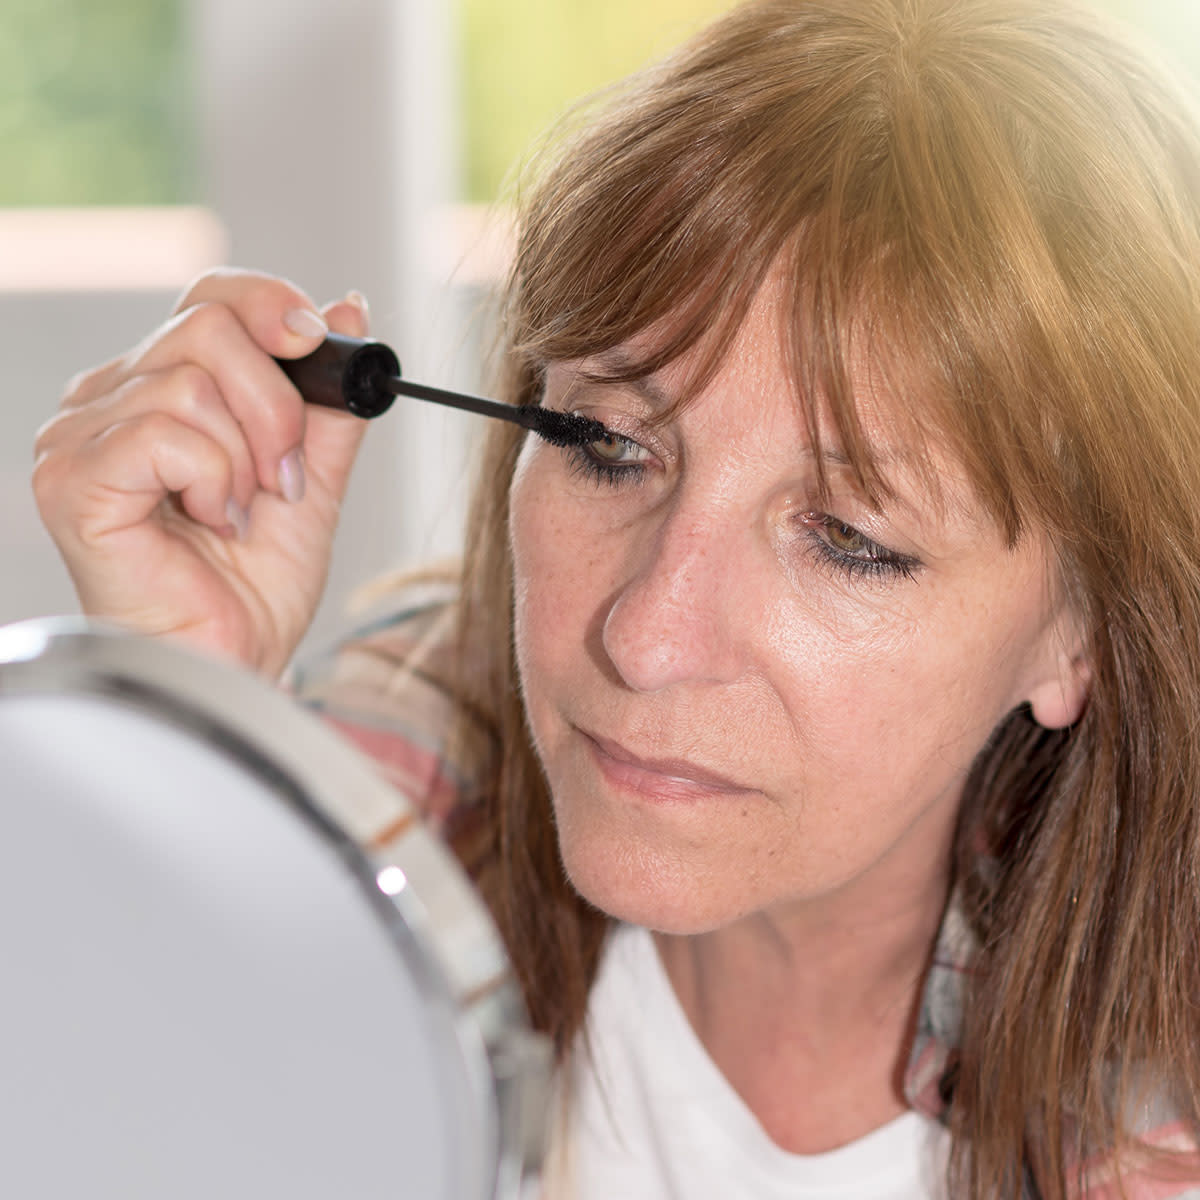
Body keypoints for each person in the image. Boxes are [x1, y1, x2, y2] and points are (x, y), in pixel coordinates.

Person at [31, 0, 1200, 1195]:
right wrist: (178, 743)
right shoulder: (400, 787)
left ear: (1087, 635)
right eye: (604, 445)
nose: (645, 639)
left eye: (847, 538)